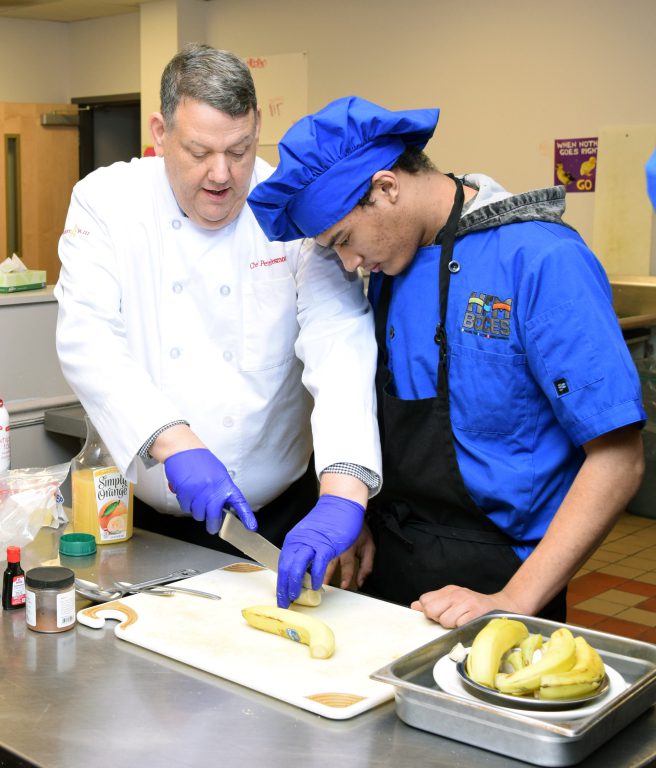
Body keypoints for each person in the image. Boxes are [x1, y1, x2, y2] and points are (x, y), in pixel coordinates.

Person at [248, 96, 645, 627]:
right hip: (389, 563)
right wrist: (357, 512)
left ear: (386, 187)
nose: (348, 263)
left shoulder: (541, 260)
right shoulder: (394, 263)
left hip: (506, 576)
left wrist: (514, 599)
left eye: (343, 240)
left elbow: (619, 460)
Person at [55, 44, 380, 566]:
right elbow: (87, 339)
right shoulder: (109, 203)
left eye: (239, 150)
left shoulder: (288, 206)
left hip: (275, 518)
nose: (222, 175)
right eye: (200, 152)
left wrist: (345, 490)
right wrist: (174, 442)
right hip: (145, 523)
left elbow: (338, 338)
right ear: (161, 134)